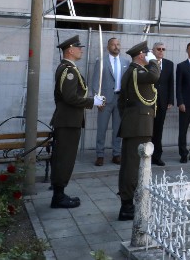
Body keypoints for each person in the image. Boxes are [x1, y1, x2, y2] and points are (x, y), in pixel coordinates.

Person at [50, 35, 105, 209]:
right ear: (70, 50)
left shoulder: (67, 68)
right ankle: (58, 197)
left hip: (69, 121)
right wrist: (92, 102)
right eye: (78, 47)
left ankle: (59, 194)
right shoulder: (69, 70)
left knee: (65, 158)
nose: (81, 50)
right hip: (67, 121)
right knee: (64, 159)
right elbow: (70, 97)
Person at [116, 41, 160, 221]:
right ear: (142, 55)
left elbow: (121, 103)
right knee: (133, 166)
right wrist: (154, 61)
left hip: (135, 122)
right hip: (139, 123)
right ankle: (127, 206)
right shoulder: (137, 71)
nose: (149, 55)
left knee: (130, 164)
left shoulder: (132, 71)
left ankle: (127, 203)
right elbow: (155, 76)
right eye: (147, 53)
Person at [90, 37, 129, 167]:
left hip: (120, 100)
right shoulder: (101, 61)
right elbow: (95, 82)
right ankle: (100, 155)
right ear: (108, 47)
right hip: (105, 101)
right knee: (101, 128)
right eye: (113, 44)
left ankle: (116, 154)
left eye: (118, 44)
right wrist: (98, 101)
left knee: (118, 129)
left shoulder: (125, 62)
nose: (116, 46)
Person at [150, 42, 174, 167]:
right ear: (153, 50)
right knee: (148, 129)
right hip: (148, 101)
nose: (161, 51)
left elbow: (171, 83)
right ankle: (146, 154)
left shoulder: (169, 64)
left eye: (163, 49)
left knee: (159, 129)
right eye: (158, 49)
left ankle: (157, 156)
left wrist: (170, 100)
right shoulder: (148, 63)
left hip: (162, 102)